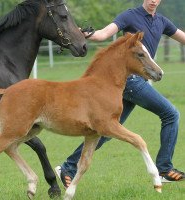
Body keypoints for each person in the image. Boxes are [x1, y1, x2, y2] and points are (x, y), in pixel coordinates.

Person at [55, 0, 185, 188]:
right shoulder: (130, 15)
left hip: (129, 83)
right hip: (130, 80)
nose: (153, 0)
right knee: (171, 114)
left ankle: (68, 167)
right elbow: (104, 34)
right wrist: (86, 33)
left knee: (106, 130)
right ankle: (164, 169)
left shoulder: (162, 22)